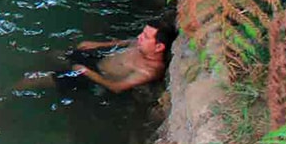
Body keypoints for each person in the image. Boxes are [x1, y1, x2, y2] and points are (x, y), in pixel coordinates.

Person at [17, 21, 176, 94]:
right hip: (97, 60)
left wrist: (86, 72)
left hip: (93, 76)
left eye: (146, 36)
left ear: (159, 47)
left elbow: (117, 87)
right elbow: (125, 42)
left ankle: (3, 96)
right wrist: (97, 45)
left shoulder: (148, 71)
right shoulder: (141, 44)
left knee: (35, 79)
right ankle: (22, 64)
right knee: (53, 54)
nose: (140, 37)